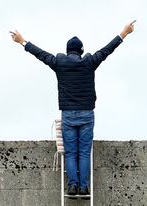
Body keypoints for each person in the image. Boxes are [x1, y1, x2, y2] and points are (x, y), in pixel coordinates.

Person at [11, 21, 135, 196]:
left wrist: (22, 41)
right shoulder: (90, 62)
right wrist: (124, 33)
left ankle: (72, 185)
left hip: (68, 114)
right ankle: (84, 187)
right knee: (84, 153)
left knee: (70, 153)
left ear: (68, 50)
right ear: (81, 50)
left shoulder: (59, 63)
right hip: (86, 114)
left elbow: (40, 54)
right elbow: (108, 49)